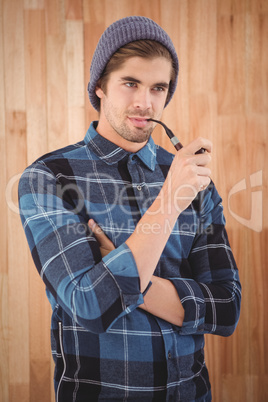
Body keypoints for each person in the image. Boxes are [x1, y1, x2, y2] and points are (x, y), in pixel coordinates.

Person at [19, 16, 241, 402]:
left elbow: (226, 308)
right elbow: (91, 308)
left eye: (158, 87)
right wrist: (170, 201)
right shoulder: (48, 178)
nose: (145, 102)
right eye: (130, 83)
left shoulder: (192, 180)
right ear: (100, 86)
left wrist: (125, 274)